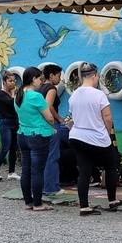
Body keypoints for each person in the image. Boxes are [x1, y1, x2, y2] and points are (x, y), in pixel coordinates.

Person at [68, 62, 122, 216]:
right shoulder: (99, 95)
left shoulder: (73, 95)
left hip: (77, 137)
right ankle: (112, 200)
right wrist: (107, 133)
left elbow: (73, 118)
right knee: (110, 166)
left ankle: (84, 206)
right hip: (97, 137)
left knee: (84, 171)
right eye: (97, 76)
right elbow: (107, 117)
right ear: (94, 76)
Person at [15, 67, 55, 211]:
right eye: (39, 79)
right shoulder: (36, 96)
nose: (41, 82)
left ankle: (28, 201)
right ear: (33, 79)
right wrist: (51, 125)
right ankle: (38, 203)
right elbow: (49, 117)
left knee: (26, 170)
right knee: (37, 171)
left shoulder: (18, 95)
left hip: (22, 134)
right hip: (38, 136)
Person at [39, 64, 67, 196]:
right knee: (53, 156)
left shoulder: (39, 88)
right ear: (51, 75)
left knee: (43, 156)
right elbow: (48, 105)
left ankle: (44, 185)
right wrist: (59, 118)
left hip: (40, 125)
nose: (59, 79)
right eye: (58, 76)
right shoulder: (51, 88)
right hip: (51, 124)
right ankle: (51, 187)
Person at [0, 70, 20, 181]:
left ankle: (11, 171)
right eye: (10, 81)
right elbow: (10, 103)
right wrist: (13, 94)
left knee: (14, 148)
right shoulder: (0, 94)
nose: (13, 83)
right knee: (5, 147)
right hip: (5, 122)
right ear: (4, 81)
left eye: (14, 81)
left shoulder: (12, 94)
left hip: (14, 122)